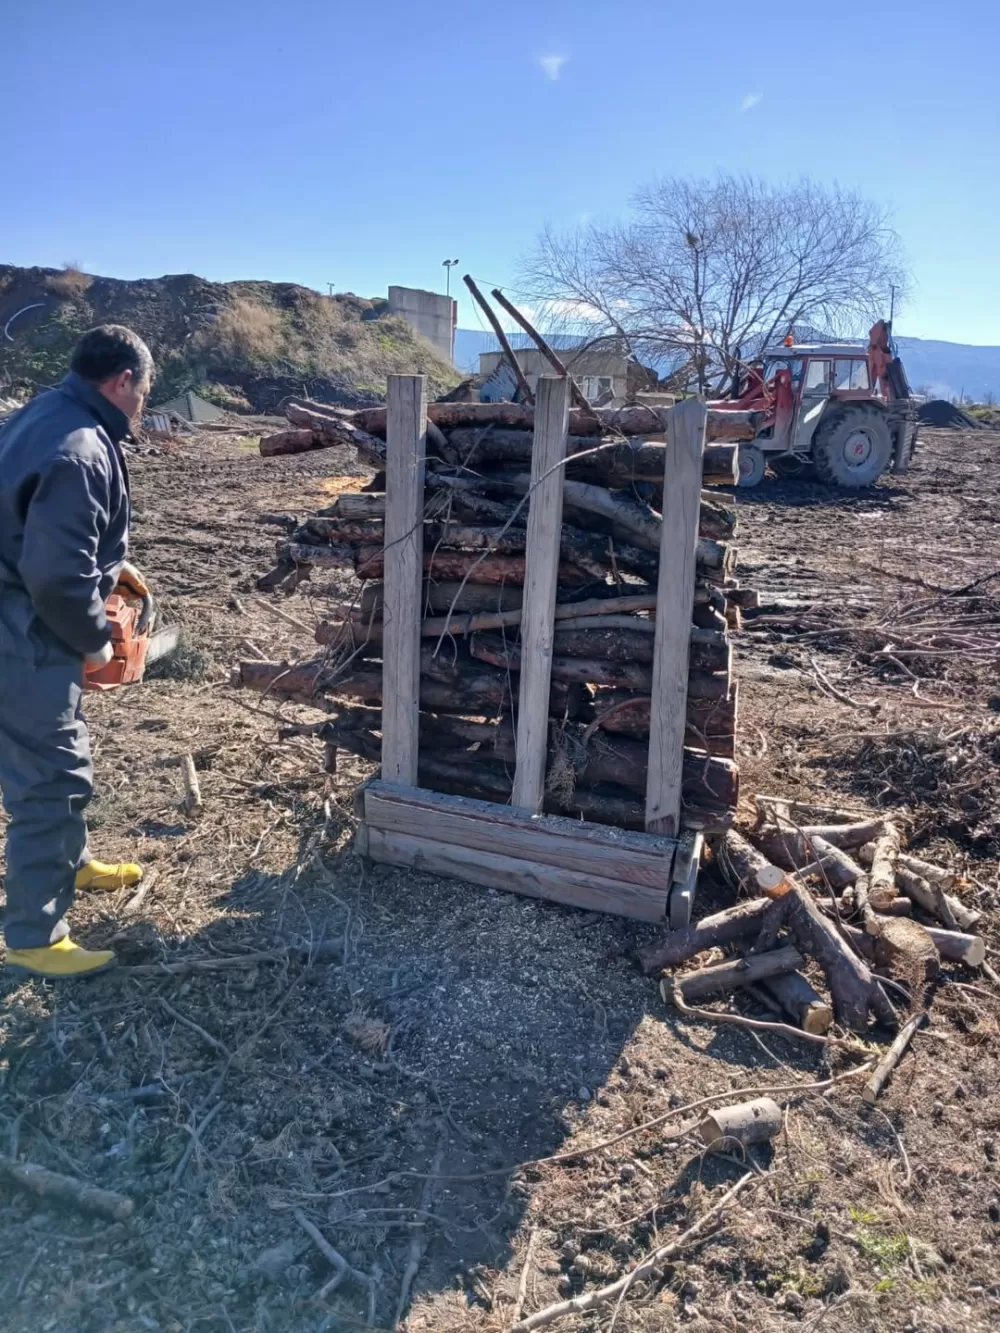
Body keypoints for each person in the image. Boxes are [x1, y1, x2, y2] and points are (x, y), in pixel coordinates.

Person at [0, 325, 155, 978]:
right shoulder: (83, 449)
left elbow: (37, 526)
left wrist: (113, 568)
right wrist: (95, 643)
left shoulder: (43, 412)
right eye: (143, 391)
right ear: (122, 380)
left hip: (18, 618)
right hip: (24, 631)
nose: (143, 405)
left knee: (50, 750)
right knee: (53, 779)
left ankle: (72, 862)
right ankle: (35, 936)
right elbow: (59, 579)